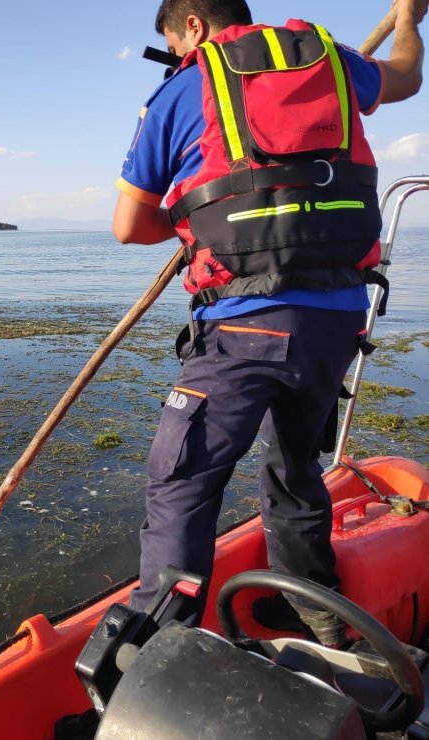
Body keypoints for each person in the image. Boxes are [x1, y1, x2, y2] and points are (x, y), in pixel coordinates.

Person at [113, 0, 427, 646]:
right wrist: (407, 21)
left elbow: (129, 226)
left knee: (183, 483)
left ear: (193, 27)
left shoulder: (185, 86)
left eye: (175, 43)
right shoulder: (336, 63)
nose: (177, 57)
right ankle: (318, 616)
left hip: (243, 324)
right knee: (294, 467)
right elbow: (407, 76)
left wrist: (201, 217)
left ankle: (154, 652)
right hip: (337, 319)